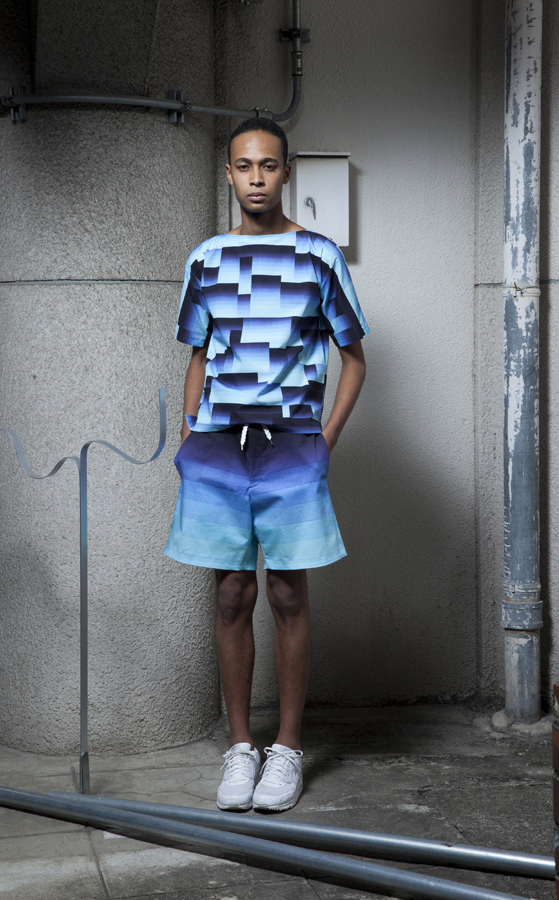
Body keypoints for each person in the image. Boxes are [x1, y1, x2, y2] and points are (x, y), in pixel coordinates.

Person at [164, 117, 369, 812]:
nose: (256, 177)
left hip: (291, 447)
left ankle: (286, 750)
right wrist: (187, 432)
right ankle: (239, 749)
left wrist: (326, 438)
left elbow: (355, 358)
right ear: (228, 173)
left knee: (286, 593)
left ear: (286, 172)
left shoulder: (318, 256)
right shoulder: (206, 259)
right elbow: (198, 354)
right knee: (231, 594)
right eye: (244, 166)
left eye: (269, 165)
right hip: (219, 447)